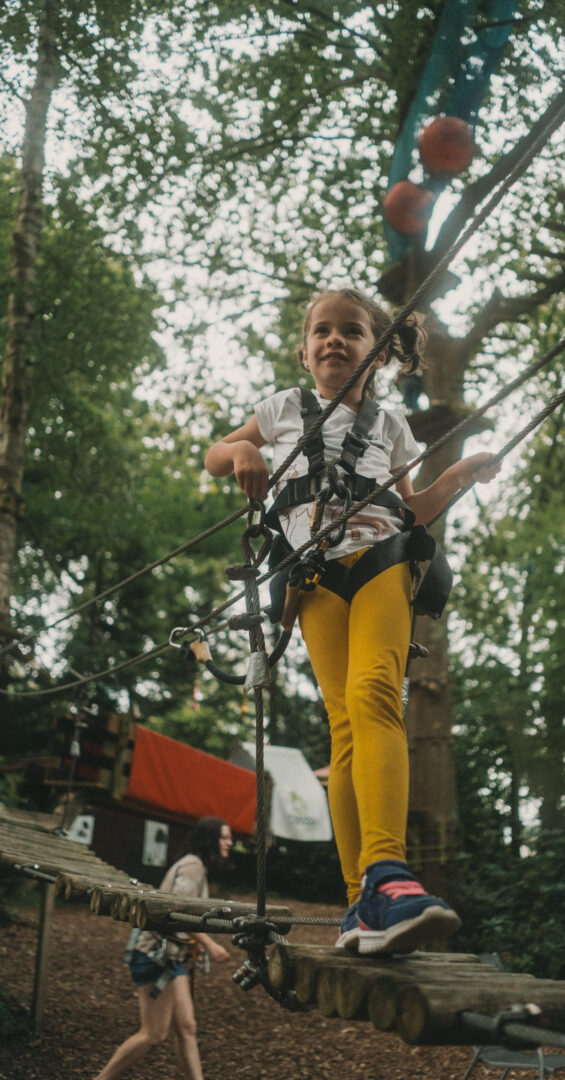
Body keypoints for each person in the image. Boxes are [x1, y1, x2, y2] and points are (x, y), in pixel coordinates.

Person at [205, 288, 500, 956]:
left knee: (374, 696)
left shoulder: (392, 426)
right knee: (343, 727)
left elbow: (412, 508)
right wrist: (242, 455)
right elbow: (216, 453)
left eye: (353, 332)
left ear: (382, 351)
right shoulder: (282, 408)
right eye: (323, 332)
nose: (335, 340)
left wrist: (455, 476)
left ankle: (388, 873)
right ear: (305, 350)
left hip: (380, 559)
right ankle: (358, 903)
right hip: (311, 576)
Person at [93, 817, 233, 1080]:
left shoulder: (196, 865)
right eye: (225, 837)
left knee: (187, 1026)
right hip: (155, 955)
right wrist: (210, 944)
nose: (230, 842)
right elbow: (177, 913)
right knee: (153, 1034)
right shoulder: (192, 867)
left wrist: (194, 944)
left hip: (173, 957)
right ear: (210, 840)